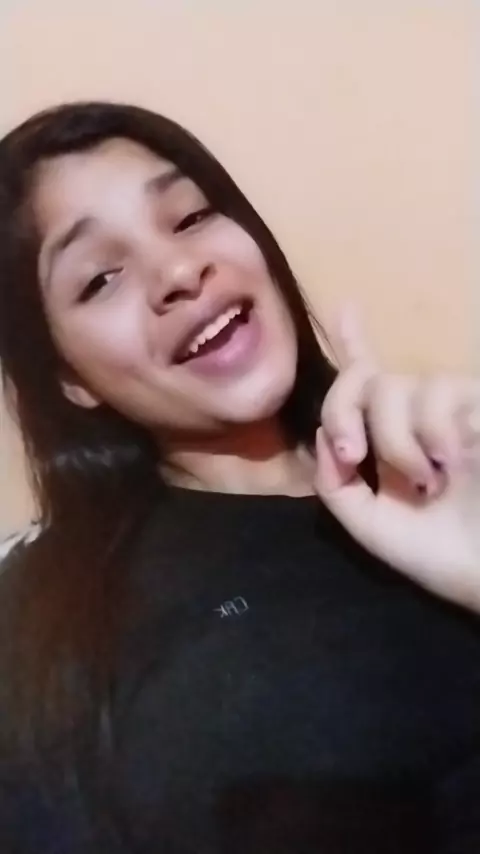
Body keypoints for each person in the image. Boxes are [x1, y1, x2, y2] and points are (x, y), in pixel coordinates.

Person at [0, 101, 478, 854]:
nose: (179, 272)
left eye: (190, 217)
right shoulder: (50, 626)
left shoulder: (440, 458)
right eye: (100, 279)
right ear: (68, 377)